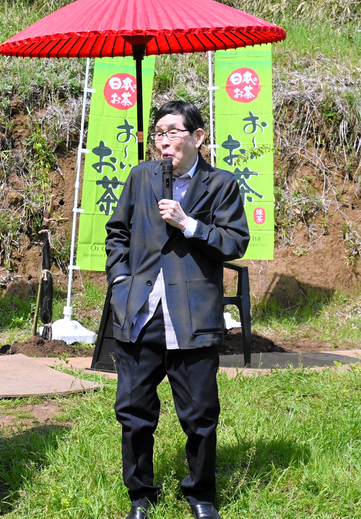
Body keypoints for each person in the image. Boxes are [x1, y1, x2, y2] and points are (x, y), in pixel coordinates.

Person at [105, 100, 249, 519]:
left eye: (173, 133)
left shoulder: (221, 184)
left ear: (198, 137)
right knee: (133, 413)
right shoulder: (140, 177)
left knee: (200, 415)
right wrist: (118, 281)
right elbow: (118, 233)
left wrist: (189, 224)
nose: (164, 142)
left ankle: (200, 495)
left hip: (192, 317)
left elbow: (235, 242)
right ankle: (140, 496)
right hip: (140, 312)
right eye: (159, 134)